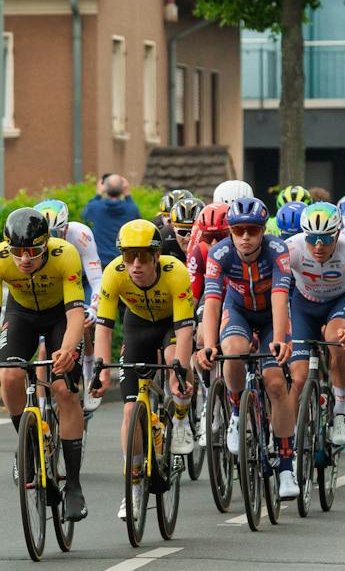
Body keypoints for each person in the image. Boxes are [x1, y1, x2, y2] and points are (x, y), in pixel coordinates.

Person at [0, 208, 90, 520]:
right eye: (17, 252)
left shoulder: (65, 255)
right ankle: (26, 441)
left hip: (58, 317)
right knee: (9, 374)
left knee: (64, 390)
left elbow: (76, 314)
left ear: (46, 244)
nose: (24, 260)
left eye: (33, 252)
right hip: (21, 314)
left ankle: (74, 485)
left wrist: (66, 349)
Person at [90, 220, 198, 518]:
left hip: (171, 326)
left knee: (177, 370)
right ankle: (134, 485)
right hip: (137, 328)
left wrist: (180, 370)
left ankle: (180, 417)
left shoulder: (175, 273)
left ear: (155, 256)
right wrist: (100, 369)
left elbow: (185, 331)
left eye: (142, 257)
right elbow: (104, 328)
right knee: (129, 411)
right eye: (128, 256)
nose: (135, 265)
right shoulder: (115, 273)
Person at [198, 196, 298, 500]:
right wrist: (209, 344)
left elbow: (281, 298)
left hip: (271, 315)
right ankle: (236, 411)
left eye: (252, 231)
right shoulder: (220, 253)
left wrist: (280, 339)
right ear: (230, 231)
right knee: (232, 351)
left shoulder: (277, 250)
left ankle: (285, 467)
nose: (245, 237)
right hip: (238, 310)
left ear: (263, 230)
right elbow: (212, 301)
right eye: (238, 230)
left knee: (276, 384)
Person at [281, 201, 345, 451]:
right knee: (298, 377)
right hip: (304, 305)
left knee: (335, 339)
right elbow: (277, 292)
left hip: (340, 301)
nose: (318, 246)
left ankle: (341, 412)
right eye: (313, 238)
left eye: (326, 238)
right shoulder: (292, 249)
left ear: (338, 234)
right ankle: (289, 435)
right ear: (304, 235)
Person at [35, 198, 107, 411]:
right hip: (55, 285)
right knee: (42, 350)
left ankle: (89, 368)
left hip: (81, 280)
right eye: (47, 235)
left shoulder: (80, 234)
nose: (51, 240)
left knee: (83, 323)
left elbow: (96, 279)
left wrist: (93, 308)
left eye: (56, 233)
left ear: (65, 229)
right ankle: (42, 407)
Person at [82, 174, 141, 259]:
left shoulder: (95, 207)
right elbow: (138, 220)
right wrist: (128, 195)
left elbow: (85, 215)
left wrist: (98, 193)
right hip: (122, 259)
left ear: (104, 188)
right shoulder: (131, 209)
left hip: (101, 260)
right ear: (123, 189)